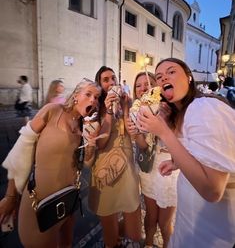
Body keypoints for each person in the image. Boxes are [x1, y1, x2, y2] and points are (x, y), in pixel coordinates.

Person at [137, 58, 235, 248]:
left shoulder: (205, 108)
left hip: (210, 230)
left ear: (189, 78)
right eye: (159, 76)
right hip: (189, 221)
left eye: (171, 71)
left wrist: (163, 132)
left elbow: (212, 190)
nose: (163, 76)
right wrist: (176, 163)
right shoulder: (186, 111)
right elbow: (199, 154)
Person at [0, 78, 101, 247]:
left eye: (97, 97)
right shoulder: (52, 111)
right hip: (39, 203)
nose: (93, 100)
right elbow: (21, 149)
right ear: (76, 95)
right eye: (89, 94)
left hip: (68, 201)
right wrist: (11, 195)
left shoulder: (84, 126)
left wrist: (91, 144)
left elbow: (86, 164)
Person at [87, 66, 141, 247]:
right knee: (109, 231)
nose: (111, 83)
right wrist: (108, 110)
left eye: (113, 78)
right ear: (100, 85)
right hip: (105, 169)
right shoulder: (95, 109)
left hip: (127, 168)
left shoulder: (126, 104)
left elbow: (132, 133)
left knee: (134, 230)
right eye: (106, 80)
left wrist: (125, 108)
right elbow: (100, 143)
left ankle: (123, 237)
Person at [126, 71, 179, 248]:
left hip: (168, 169)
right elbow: (142, 146)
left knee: (164, 224)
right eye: (138, 85)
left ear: (156, 87)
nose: (142, 89)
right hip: (148, 168)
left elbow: (179, 144)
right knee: (150, 217)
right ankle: (148, 244)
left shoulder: (170, 108)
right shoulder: (137, 111)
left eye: (146, 84)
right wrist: (135, 134)